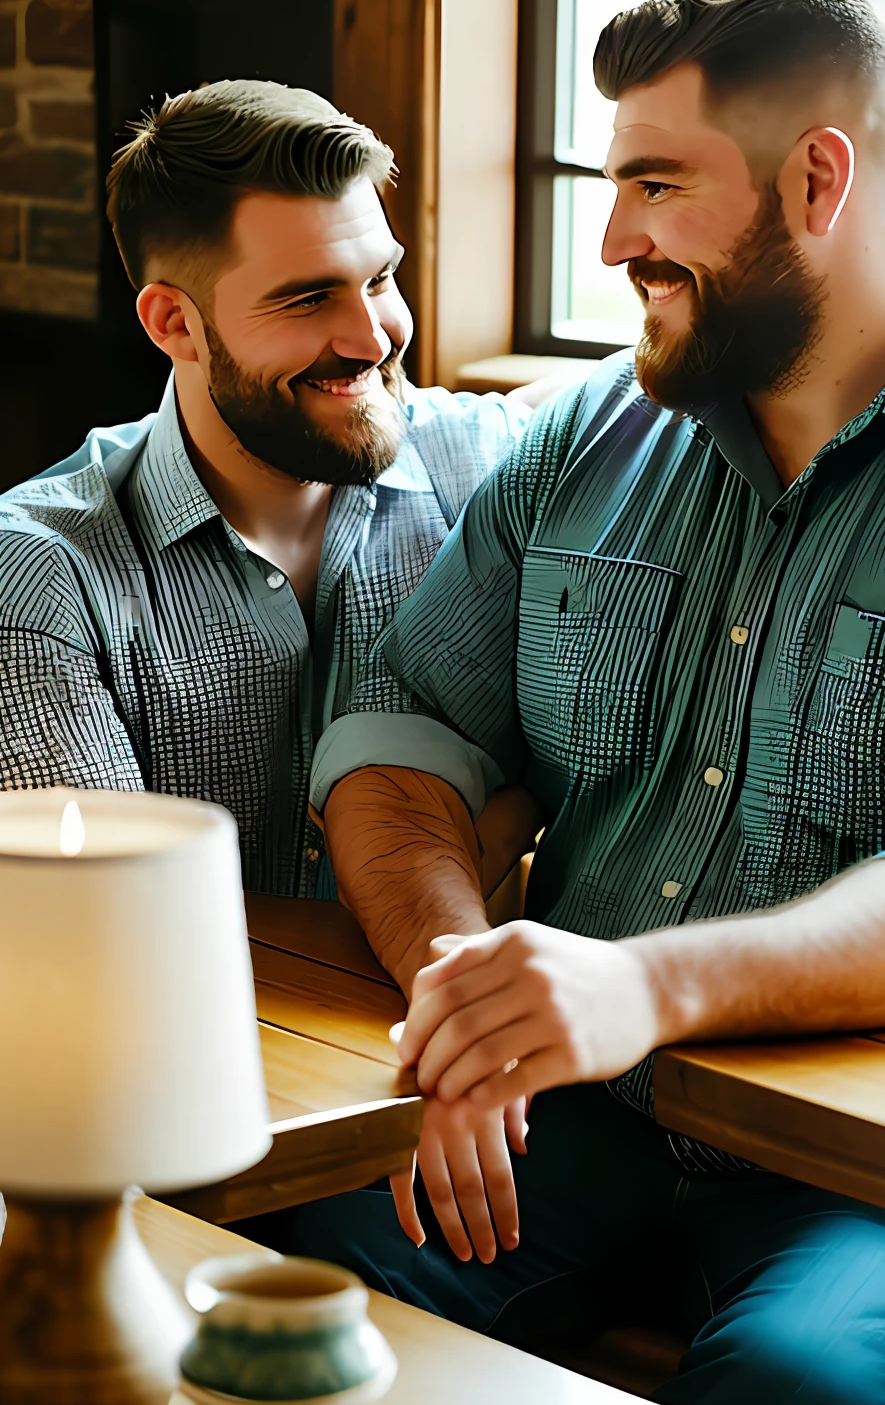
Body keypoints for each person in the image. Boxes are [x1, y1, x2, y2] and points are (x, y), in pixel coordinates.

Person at [291, 0, 885, 1405]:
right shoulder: (585, 439)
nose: (615, 234)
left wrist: (646, 986)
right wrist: (461, 999)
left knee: (799, 1392)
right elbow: (394, 740)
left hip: (868, 1176)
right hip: (568, 1121)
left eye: (656, 183)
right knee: (283, 1284)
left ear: (819, 181)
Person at [0, 78, 542, 899]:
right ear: (173, 324)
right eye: (308, 298)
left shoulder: (491, 468)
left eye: (380, 280)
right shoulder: (44, 575)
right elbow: (109, 920)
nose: (372, 338)